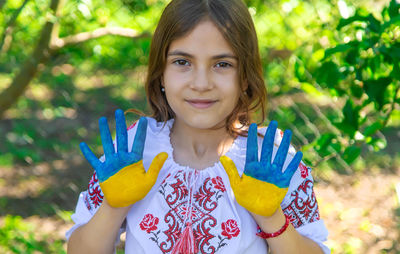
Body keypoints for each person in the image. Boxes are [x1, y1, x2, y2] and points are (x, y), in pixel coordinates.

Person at [66, 0, 330, 253]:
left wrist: (272, 218)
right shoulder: (136, 148)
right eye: (183, 62)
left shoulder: (271, 159)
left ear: (246, 78)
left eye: (222, 64)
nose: (201, 83)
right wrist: (113, 207)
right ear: (161, 73)